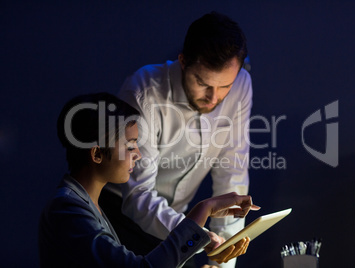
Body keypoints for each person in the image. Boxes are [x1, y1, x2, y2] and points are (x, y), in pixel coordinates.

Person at [101, 11, 252, 267]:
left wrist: (222, 261)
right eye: (202, 83)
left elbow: (232, 174)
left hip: (181, 223)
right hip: (122, 218)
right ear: (183, 61)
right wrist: (199, 236)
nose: (214, 98)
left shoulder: (240, 85)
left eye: (224, 86)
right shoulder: (143, 92)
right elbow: (138, 197)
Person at [38, 93, 259, 268]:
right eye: (130, 145)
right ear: (96, 154)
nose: (139, 154)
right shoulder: (68, 210)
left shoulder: (87, 205)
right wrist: (203, 210)